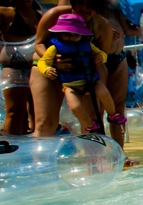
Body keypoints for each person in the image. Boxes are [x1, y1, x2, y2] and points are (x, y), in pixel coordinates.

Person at [59, 0, 141, 166]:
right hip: (93, 58)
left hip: (118, 56)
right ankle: (93, 158)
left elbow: (126, 27)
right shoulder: (79, 3)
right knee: (95, 111)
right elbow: (65, 22)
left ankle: (119, 154)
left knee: (118, 109)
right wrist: (101, 31)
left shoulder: (117, 3)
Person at [30, 0, 113, 136]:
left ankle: (91, 155)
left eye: (90, 4)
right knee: (45, 122)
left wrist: (98, 59)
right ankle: (40, 157)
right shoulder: (55, 15)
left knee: (93, 119)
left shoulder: (102, 26)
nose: (85, 7)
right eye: (80, 2)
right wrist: (53, 60)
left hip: (82, 74)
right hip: (48, 69)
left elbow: (102, 57)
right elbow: (38, 43)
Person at [0, 0, 41, 135]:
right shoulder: (5, 12)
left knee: (38, 111)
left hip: (37, 68)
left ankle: (36, 148)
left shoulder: (40, 14)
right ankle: (13, 146)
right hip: (14, 67)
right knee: (15, 111)